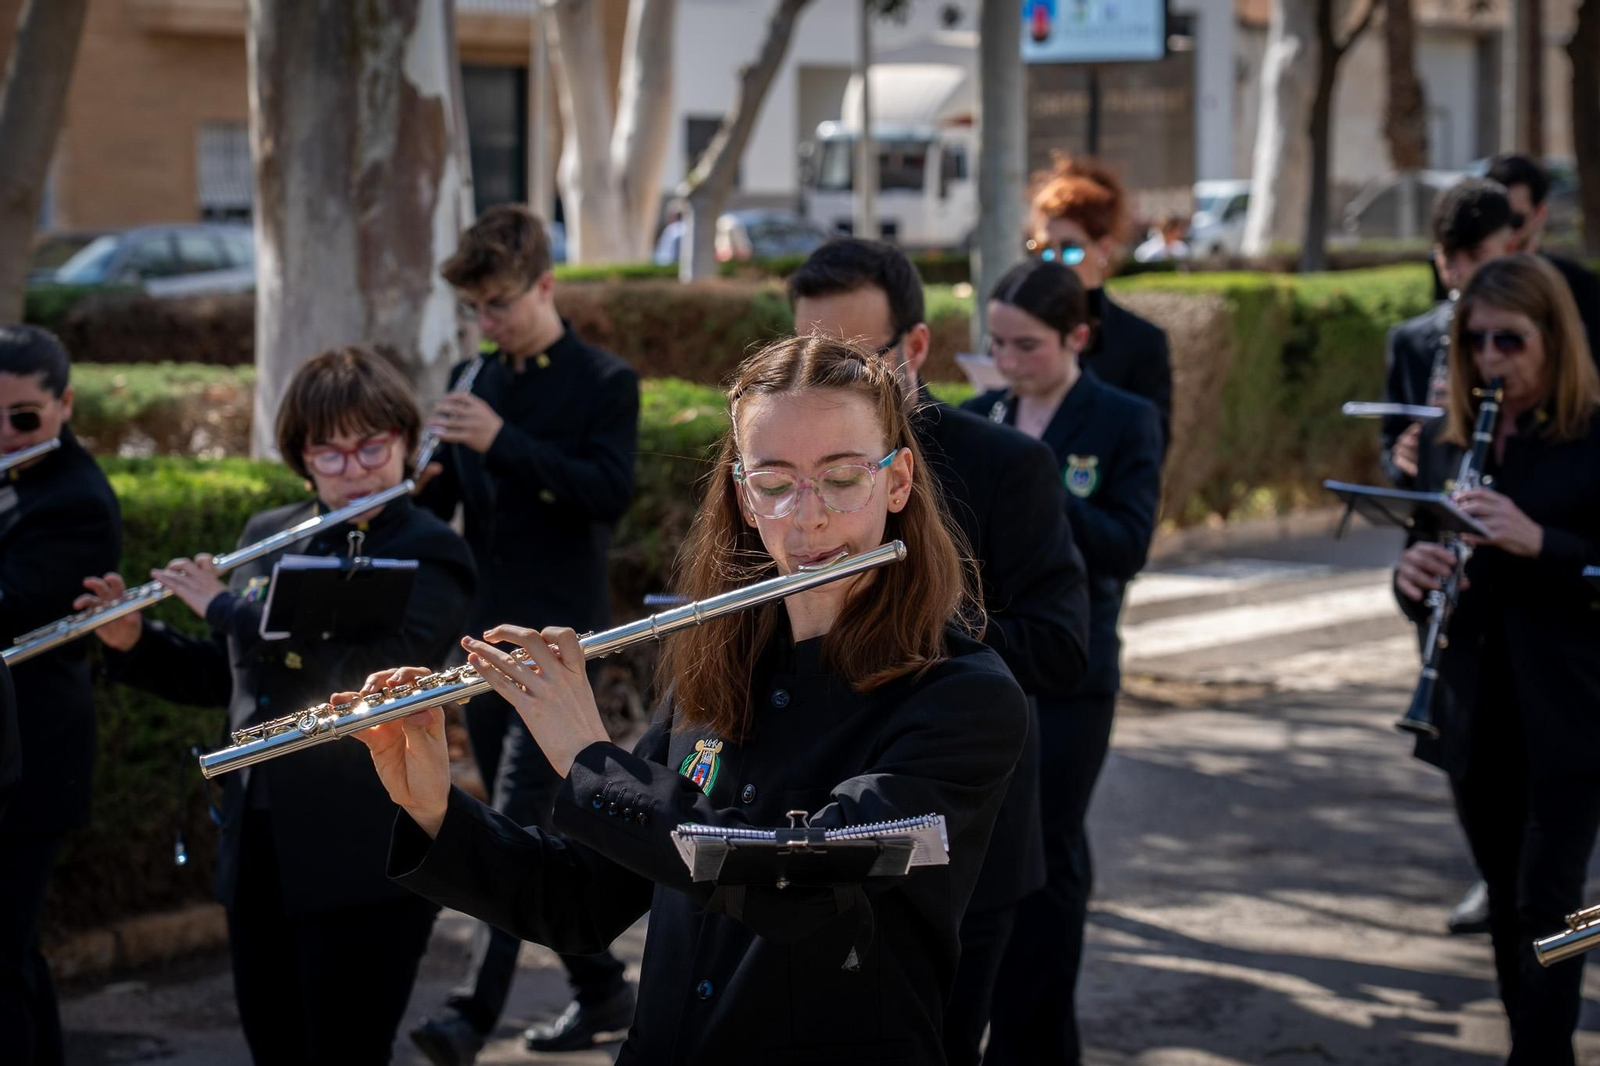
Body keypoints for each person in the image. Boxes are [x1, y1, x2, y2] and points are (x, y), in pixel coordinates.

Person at [349, 334, 1029, 1064]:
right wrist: (433, 807)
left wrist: (591, 757)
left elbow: (796, 885)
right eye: (775, 483)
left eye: (842, 477)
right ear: (743, 495)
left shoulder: (963, 700)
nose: (808, 517)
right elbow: (580, 901)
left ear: (897, 484)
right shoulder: (716, 673)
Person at [79, 347, 476, 1066]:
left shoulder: (431, 550)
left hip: (366, 851)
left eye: (371, 447)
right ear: (301, 457)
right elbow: (233, 681)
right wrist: (137, 642)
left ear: (406, 444)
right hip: (258, 845)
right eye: (329, 453)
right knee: (274, 1049)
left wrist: (231, 611)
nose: (353, 470)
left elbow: (365, 680)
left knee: (345, 1051)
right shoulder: (268, 535)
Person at [787, 238, 1090, 1064]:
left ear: (914, 348)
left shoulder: (1007, 465)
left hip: (963, 839)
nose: (825, 384)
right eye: (806, 357)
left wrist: (908, 617)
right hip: (807, 818)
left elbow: (1061, 651)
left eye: (852, 357)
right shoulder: (788, 475)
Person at [412, 203, 640, 1063]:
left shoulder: (603, 381)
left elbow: (605, 493)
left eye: (501, 301)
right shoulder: (478, 375)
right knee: (539, 830)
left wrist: (503, 441)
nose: (489, 320)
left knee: (511, 814)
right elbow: (448, 510)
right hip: (482, 633)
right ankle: (602, 987)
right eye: (477, 306)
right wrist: (423, 479)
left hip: (556, 638)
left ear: (546, 284)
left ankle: (470, 1017)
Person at [1393, 254, 1600, 1065]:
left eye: (1509, 341)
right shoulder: (1450, 443)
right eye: (1475, 342)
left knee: (1552, 906)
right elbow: (1424, 564)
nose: (1491, 361)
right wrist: (1410, 580)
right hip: (1475, 713)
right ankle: (1531, 1035)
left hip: (1574, 711)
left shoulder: (1592, 437)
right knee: (1511, 910)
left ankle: (1542, 1052)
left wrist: (1541, 543)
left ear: (1553, 337)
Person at [964, 260, 1163, 1066]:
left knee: (1049, 853)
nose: (1008, 363)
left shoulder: (1122, 418)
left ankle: (1041, 1041)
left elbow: (1128, 543)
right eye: (996, 344)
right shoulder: (979, 417)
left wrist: (1037, 486)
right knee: (984, 858)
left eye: (1028, 347)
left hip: (1072, 672)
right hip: (985, 667)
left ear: (1077, 337)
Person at [0, 325, 121, 1066]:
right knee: (12, 954)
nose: (5, 434)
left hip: (29, 766)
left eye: (23, 418)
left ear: (65, 404)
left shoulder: (75, 499)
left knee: (1, 957)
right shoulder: (17, 480)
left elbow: (12, 611)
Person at [1028, 153, 1173, 449]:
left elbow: (1150, 448)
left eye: (1070, 249)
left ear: (1103, 249)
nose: (1054, 260)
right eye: (1043, 248)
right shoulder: (1017, 330)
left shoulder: (1141, 342)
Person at [1382, 179, 1517, 489]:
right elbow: (1390, 452)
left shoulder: (1533, 339)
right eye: (1448, 257)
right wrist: (1404, 459)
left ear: (1509, 248)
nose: (1458, 273)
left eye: (1476, 255)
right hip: (1432, 528)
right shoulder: (1409, 341)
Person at [1485, 153, 1600, 354]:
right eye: (1494, 221)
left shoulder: (1577, 285)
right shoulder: (1474, 281)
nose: (1505, 233)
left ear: (1540, 214)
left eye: (1514, 220)